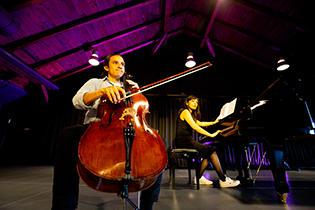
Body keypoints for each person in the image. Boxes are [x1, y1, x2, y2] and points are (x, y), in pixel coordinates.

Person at [51, 53, 163, 210]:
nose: (120, 66)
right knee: (68, 135)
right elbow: (77, 101)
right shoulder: (95, 82)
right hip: (97, 128)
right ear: (106, 67)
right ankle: (64, 205)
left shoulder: (131, 85)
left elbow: (140, 107)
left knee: (156, 147)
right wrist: (101, 92)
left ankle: (147, 206)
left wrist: (136, 92)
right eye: (116, 62)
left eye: (122, 64)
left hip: (130, 127)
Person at [174, 95, 240, 187]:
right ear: (187, 102)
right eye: (193, 101)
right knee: (211, 150)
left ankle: (199, 178)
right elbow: (195, 127)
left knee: (208, 152)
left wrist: (214, 122)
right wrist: (211, 135)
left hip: (186, 140)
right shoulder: (185, 111)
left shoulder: (190, 114)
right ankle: (223, 180)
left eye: (197, 102)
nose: (195, 104)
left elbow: (200, 123)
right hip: (184, 141)